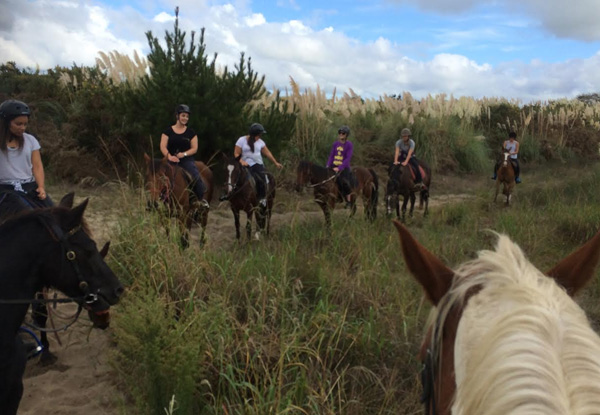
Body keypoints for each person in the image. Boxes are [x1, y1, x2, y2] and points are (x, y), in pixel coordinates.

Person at [0, 99, 53, 206]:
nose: (22, 128)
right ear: (5, 122)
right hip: (5, 189)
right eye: (18, 124)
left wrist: (41, 187)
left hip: (29, 186)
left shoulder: (30, 140)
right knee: (28, 214)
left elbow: (37, 166)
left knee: (53, 214)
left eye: (25, 124)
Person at [160, 104, 209, 208]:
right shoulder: (167, 131)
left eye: (187, 116)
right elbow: (163, 146)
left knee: (196, 177)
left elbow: (194, 148)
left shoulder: (191, 132)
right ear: (177, 116)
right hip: (170, 159)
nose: (185, 118)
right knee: (159, 176)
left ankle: (199, 200)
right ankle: (158, 201)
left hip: (186, 160)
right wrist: (169, 156)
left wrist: (184, 154)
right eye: (183, 115)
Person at [233, 123, 283, 208]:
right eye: (259, 135)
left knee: (262, 178)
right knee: (232, 176)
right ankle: (229, 195)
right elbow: (236, 153)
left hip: (257, 163)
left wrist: (275, 162)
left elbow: (267, 153)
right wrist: (241, 161)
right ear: (253, 135)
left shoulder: (260, 143)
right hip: (244, 163)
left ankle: (261, 198)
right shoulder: (241, 140)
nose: (260, 136)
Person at [326, 125, 355, 208]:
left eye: (343, 133)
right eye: (340, 133)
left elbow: (347, 158)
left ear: (346, 135)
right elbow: (331, 156)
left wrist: (339, 168)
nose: (341, 134)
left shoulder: (349, 144)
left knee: (344, 182)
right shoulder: (335, 144)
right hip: (333, 165)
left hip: (343, 167)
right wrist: (328, 165)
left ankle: (348, 201)